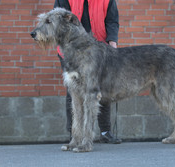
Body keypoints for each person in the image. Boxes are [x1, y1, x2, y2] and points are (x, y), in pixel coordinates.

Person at [54, 0, 121, 144]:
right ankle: (75, 135)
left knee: (100, 89)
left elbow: (112, 20)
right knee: (73, 91)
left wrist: (112, 42)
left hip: (99, 50)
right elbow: (57, 21)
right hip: (71, 51)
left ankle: (105, 132)